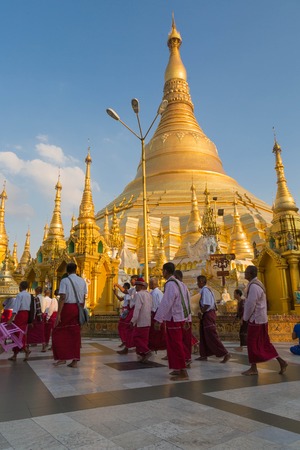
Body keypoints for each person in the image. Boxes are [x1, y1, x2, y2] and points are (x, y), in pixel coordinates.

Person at [242, 265, 287, 376]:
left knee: (252, 343)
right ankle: (281, 361)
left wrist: (245, 318)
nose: (244, 274)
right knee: (264, 343)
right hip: (260, 319)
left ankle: (253, 368)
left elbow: (251, 304)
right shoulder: (256, 284)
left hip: (256, 319)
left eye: (246, 272)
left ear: (251, 274)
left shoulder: (254, 286)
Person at [154, 262, 191, 381]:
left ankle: (183, 372)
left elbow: (166, 302)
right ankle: (177, 368)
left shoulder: (170, 284)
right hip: (180, 317)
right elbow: (187, 301)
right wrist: (187, 318)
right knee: (174, 344)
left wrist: (158, 319)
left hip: (174, 318)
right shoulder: (181, 284)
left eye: (162, 271)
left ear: (165, 271)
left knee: (176, 344)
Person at [52, 262, 87, 368]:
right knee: (75, 334)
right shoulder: (82, 281)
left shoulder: (65, 281)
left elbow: (62, 297)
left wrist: (58, 314)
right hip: (79, 307)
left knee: (58, 332)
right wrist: (81, 310)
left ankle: (62, 358)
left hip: (68, 308)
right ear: (76, 270)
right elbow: (84, 297)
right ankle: (75, 360)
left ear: (67, 270)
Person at [196, 275, 231, 363]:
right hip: (207, 314)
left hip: (208, 314)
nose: (197, 284)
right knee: (203, 335)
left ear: (201, 281)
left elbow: (207, 304)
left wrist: (201, 312)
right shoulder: (206, 290)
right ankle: (204, 354)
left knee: (212, 335)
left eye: (197, 282)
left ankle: (225, 353)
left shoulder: (205, 290)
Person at [7, 281, 31, 362]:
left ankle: (25, 350)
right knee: (21, 333)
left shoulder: (20, 295)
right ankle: (15, 354)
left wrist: (11, 319)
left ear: (20, 287)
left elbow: (16, 307)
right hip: (26, 314)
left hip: (20, 315)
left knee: (17, 334)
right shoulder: (29, 295)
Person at [130, 278, 152, 362]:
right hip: (147, 320)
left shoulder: (139, 295)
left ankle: (146, 351)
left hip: (141, 321)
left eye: (136, 286)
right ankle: (143, 356)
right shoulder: (149, 295)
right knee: (144, 340)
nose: (135, 288)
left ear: (140, 286)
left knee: (136, 338)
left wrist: (133, 320)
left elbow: (137, 309)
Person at [174, 270, 193, 367]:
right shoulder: (184, 287)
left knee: (179, 342)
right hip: (186, 318)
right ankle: (187, 359)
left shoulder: (177, 286)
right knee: (185, 341)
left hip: (181, 318)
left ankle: (183, 363)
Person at [115, 275, 138, 355]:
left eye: (132, 280)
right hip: (131, 310)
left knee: (129, 328)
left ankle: (130, 346)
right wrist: (118, 286)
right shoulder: (133, 290)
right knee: (129, 329)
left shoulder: (139, 291)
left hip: (133, 311)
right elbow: (124, 291)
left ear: (136, 280)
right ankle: (127, 346)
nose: (131, 281)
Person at [148, 277, 166, 352]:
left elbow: (154, 306)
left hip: (155, 315)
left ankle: (155, 346)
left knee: (156, 333)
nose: (149, 285)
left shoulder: (155, 293)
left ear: (153, 284)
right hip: (158, 314)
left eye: (150, 283)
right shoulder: (157, 292)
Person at [26, 286, 47, 353]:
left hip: (36, 316)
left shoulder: (35, 298)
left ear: (37, 291)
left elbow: (34, 308)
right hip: (42, 315)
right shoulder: (44, 298)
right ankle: (43, 346)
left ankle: (28, 347)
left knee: (30, 332)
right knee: (41, 332)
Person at [113, 282, 131, 347]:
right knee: (122, 326)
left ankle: (125, 341)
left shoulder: (129, 294)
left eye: (123, 286)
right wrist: (115, 294)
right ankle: (124, 340)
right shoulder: (127, 295)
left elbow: (129, 303)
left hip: (126, 310)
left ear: (126, 287)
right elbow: (120, 299)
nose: (123, 287)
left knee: (122, 326)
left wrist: (117, 285)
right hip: (124, 310)